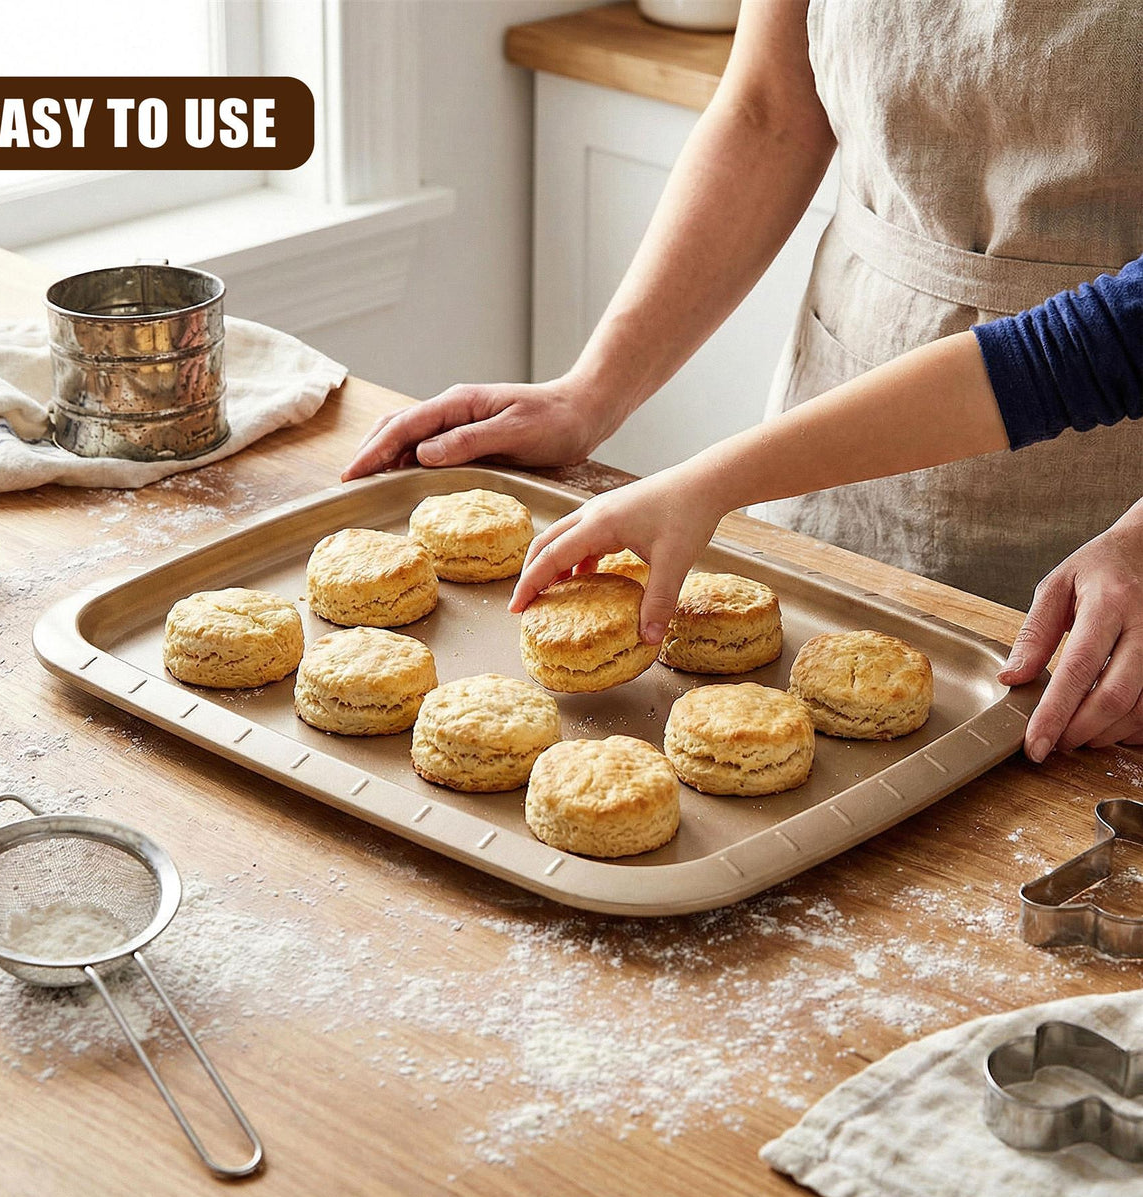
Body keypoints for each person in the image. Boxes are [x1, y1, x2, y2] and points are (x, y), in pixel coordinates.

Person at [342, 0, 1142, 757]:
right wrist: (590, 392)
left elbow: (1097, 339)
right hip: (842, 420)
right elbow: (769, 112)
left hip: (1108, 510)